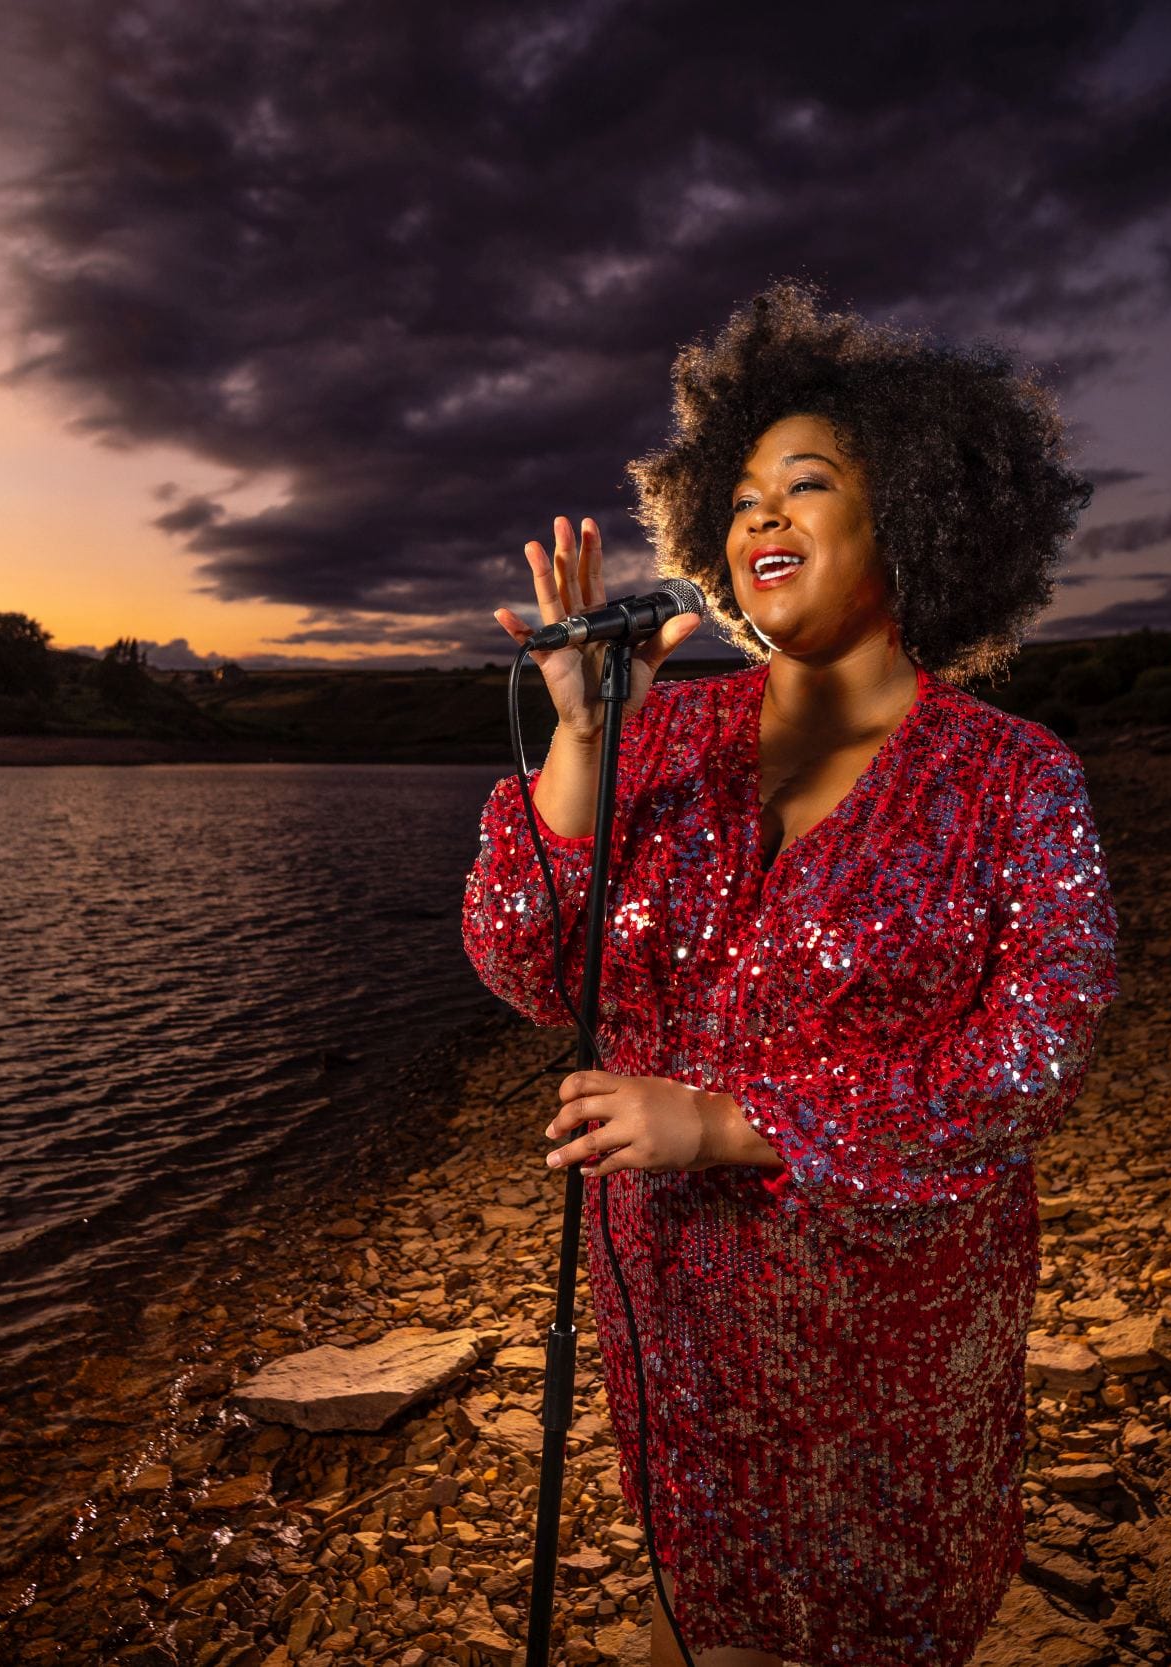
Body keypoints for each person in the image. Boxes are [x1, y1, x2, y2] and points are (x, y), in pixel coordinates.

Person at [460, 278, 1118, 1667]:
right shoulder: (668, 736)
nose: (760, 515)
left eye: (805, 485)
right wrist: (585, 741)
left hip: (898, 1326)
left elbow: (1032, 1056)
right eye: (743, 495)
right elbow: (523, 959)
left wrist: (732, 1121)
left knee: (883, 1625)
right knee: (723, 1618)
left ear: (914, 520)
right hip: (681, 1315)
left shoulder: (1014, 779)